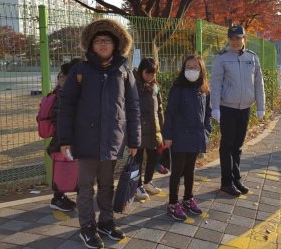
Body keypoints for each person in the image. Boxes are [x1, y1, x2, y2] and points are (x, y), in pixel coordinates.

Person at [57, 19, 141, 249]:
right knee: (85, 187)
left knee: (107, 185)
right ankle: (87, 227)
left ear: (115, 45)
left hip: (113, 138)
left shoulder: (124, 71)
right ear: (91, 45)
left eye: (107, 40)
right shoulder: (80, 70)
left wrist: (134, 139)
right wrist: (65, 140)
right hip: (85, 140)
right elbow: (67, 107)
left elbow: (133, 106)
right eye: (98, 40)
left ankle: (106, 221)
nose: (102, 44)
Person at [210, 25, 265, 197]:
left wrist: (261, 107)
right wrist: (215, 107)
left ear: (244, 39)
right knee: (227, 145)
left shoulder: (252, 58)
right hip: (227, 108)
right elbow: (216, 84)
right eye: (232, 38)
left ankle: (236, 179)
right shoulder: (222, 59)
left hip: (245, 108)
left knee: (238, 146)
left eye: (238, 38)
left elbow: (258, 83)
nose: (235, 41)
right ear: (229, 40)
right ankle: (226, 182)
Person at [163, 55, 212, 221]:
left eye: (195, 67)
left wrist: (206, 132)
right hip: (179, 137)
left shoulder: (204, 90)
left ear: (201, 70)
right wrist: (168, 136)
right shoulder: (177, 89)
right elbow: (169, 114)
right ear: (183, 69)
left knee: (190, 170)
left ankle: (188, 198)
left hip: (196, 137)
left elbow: (208, 114)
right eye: (188, 67)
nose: (192, 70)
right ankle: (172, 202)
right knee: (177, 171)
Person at [46, 58, 82, 212]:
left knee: (72, 169)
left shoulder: (67, 89)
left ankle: (62, 197)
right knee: (66, 169)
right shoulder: (64, 93)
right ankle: (58, 198)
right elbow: (58, 118)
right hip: (63, 140)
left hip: (68, 138)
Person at [133, 57, 165, 200]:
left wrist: (162, 129)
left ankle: (147, 182)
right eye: (148, 73)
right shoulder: (133, 85)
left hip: (154, 129)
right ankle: (137, 185)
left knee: (153, 157)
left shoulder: (155, 86)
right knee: (137, 160)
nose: (151, 76)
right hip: (138, 130)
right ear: (141, 71)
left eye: (154, 73)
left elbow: (160, 109)